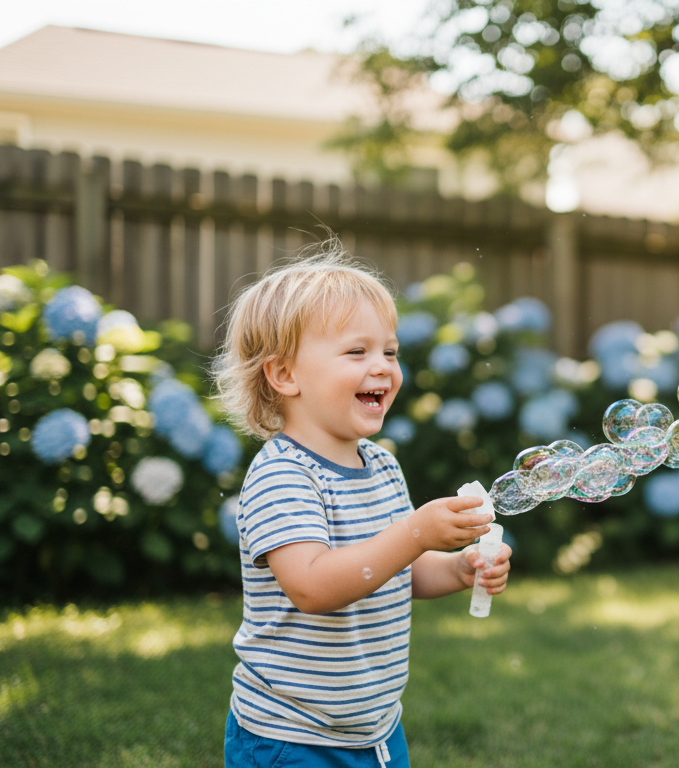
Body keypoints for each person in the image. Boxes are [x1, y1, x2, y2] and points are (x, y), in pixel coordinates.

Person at [210, 241, 511, 767]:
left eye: (390, 352)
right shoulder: (283, 475)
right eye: (357, 352)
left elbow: (395, 571)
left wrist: (458, 568)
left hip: (374, 728)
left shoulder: (382, 466)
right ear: (284, 375)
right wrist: (415, 533)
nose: (383, 368)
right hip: (291, 734)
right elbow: (312, 586)